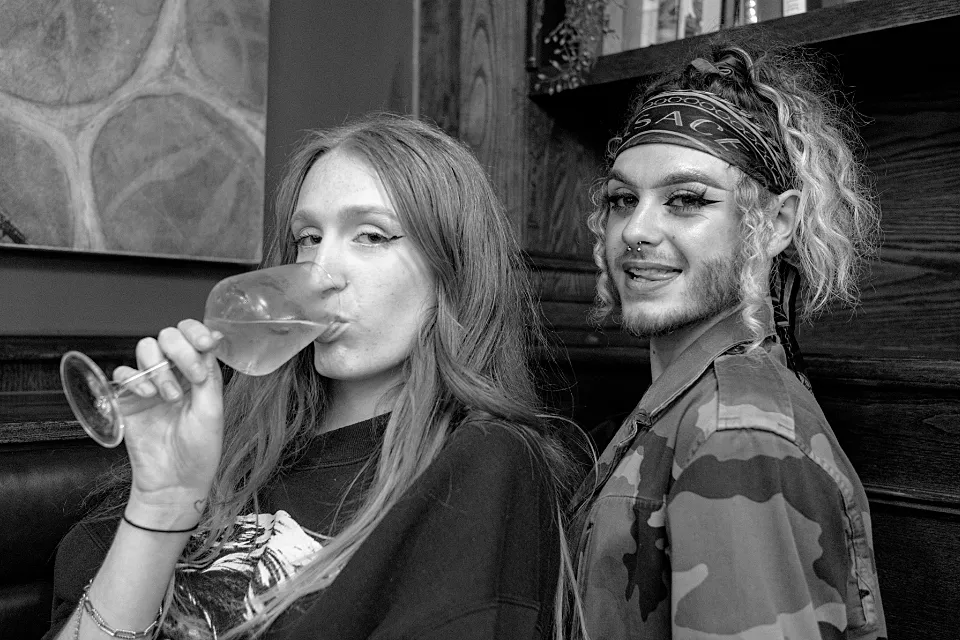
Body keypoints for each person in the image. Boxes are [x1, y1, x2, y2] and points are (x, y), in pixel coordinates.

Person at [46, 113, 585, 640]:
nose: (321, 273)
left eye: (371, 236)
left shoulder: (483, 460)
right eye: (308, 237)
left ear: (454, 270)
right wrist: (162, 503)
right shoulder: (231, 447)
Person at [569, 42, 887, 639]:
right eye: (621, 200)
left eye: (685, 200)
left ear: (776, 223)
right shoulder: (689, 400)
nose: (636, 230)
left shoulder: (735, 427)